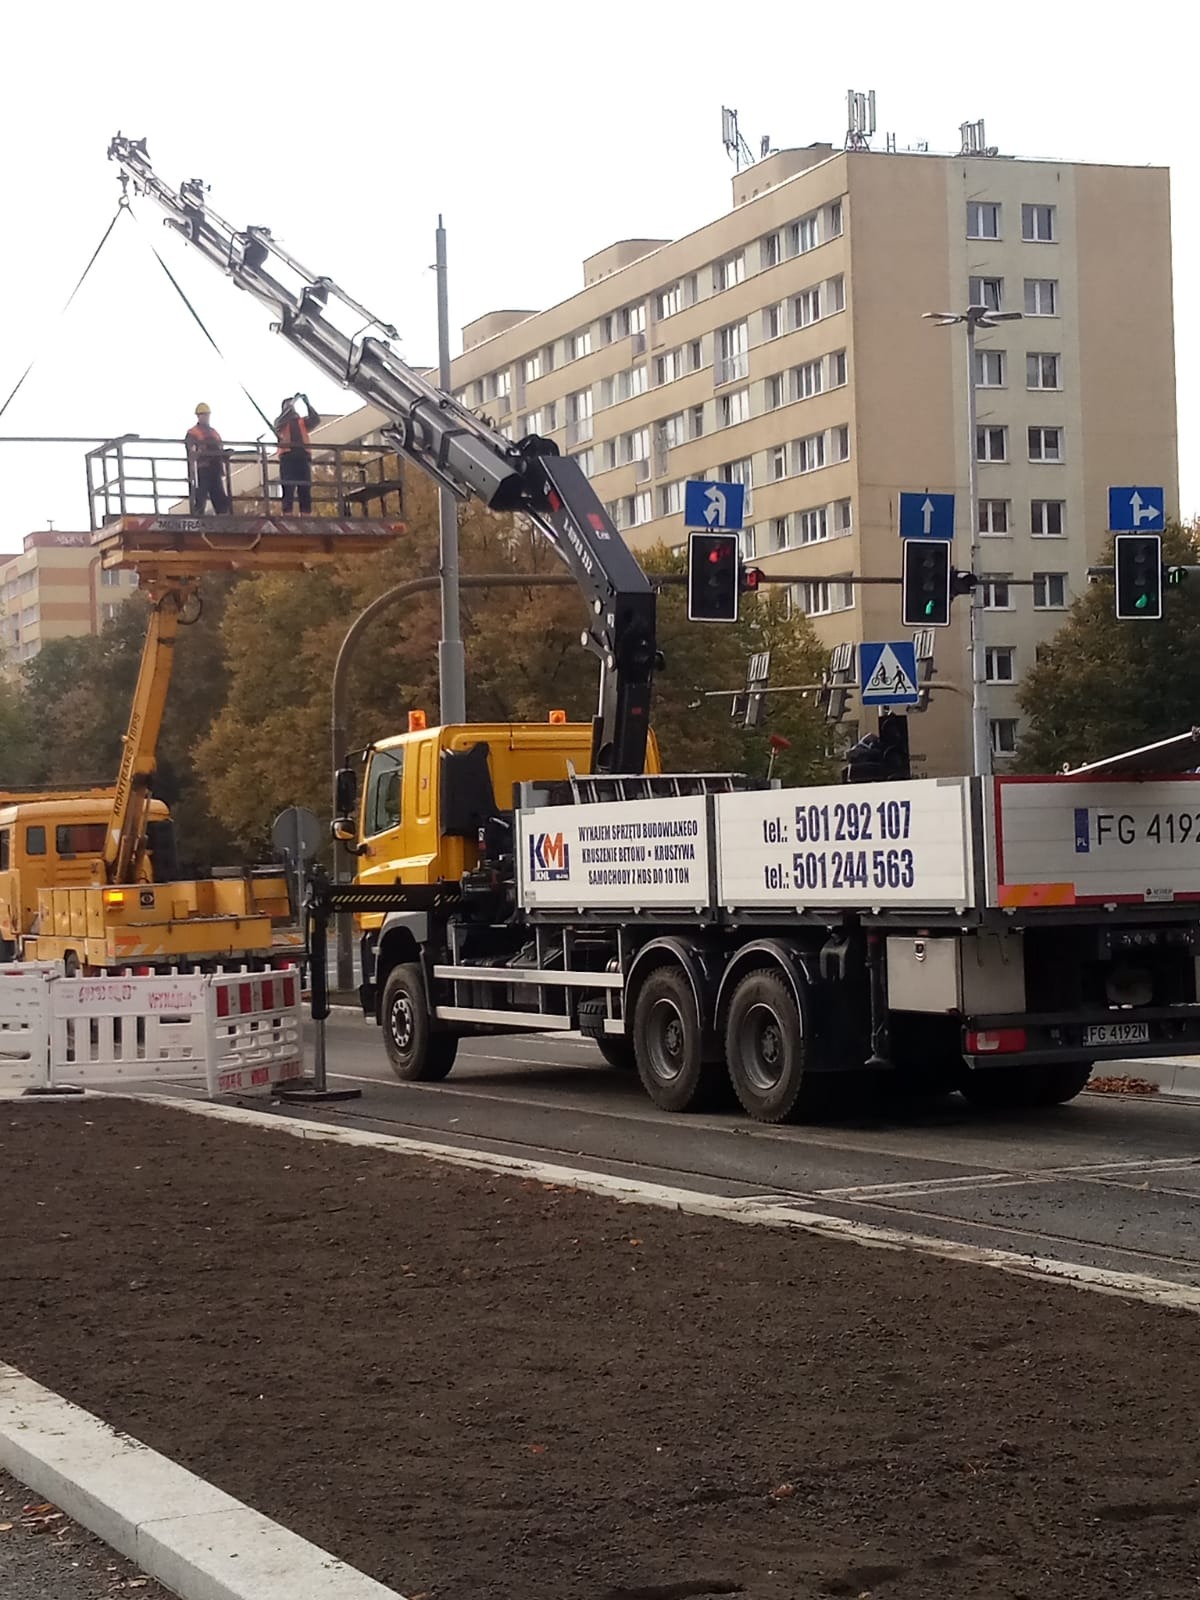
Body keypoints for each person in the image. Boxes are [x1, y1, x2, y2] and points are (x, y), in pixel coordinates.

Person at [274, 393, 321, 514]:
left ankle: (305, 515)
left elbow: (316, 419)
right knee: (288, 487)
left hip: (303, 456)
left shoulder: (302, 422)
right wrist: (289, 407)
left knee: (305, 487)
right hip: (287, 457)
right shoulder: (280, 421)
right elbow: (279, 423)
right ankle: (287, 514)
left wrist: (307, 404)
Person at [185, 403, 230, 514]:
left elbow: (219, 448)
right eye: (203, 415)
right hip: (202, 469)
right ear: (198, 416)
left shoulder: (214, 433)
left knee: (219, 497)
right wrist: (200, 453)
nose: (205, 417)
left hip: (215, 469)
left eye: (207, 415)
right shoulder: (192, 432)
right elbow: (191, 451)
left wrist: (225, 454)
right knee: (200, 496)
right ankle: (198, 518)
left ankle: (223, 517)